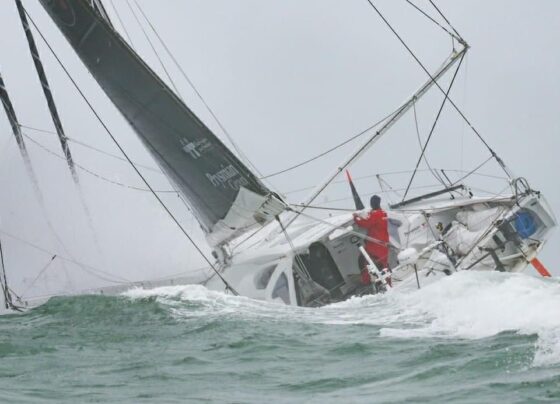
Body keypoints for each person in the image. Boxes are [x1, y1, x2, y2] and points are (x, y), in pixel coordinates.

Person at [353, 195, 390, 287]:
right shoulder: (383, 213)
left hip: (375, 245)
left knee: (364, 262)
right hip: (383, 243)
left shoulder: (375, 215)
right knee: (382, 265)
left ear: (372, 203)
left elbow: (364, 223)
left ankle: (368, 283)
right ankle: (387, 283)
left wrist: (355, 217)